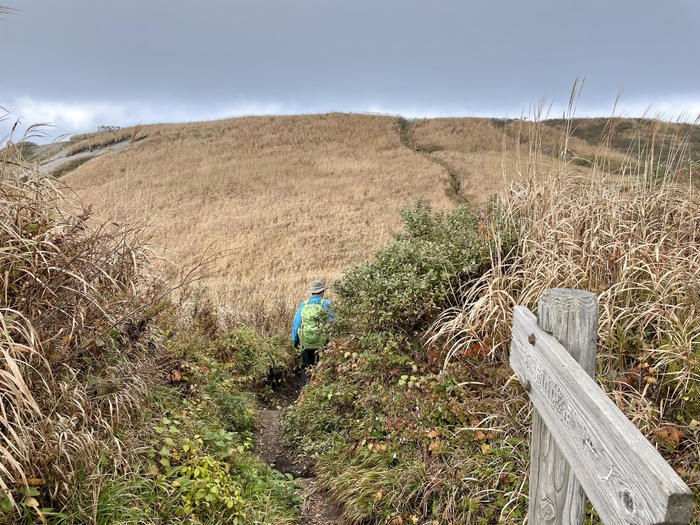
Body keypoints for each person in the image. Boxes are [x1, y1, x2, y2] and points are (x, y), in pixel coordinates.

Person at [292, 280, 334, 388]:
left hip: (306, 341)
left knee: (306, 366)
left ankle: (304, 392)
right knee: (323, 366)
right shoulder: (326, 304)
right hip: (322, 342)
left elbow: (296, 323)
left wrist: (295, 340)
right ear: (322, 292)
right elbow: (333, 322)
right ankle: (320, 389)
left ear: (312, 292)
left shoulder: (304, 304)